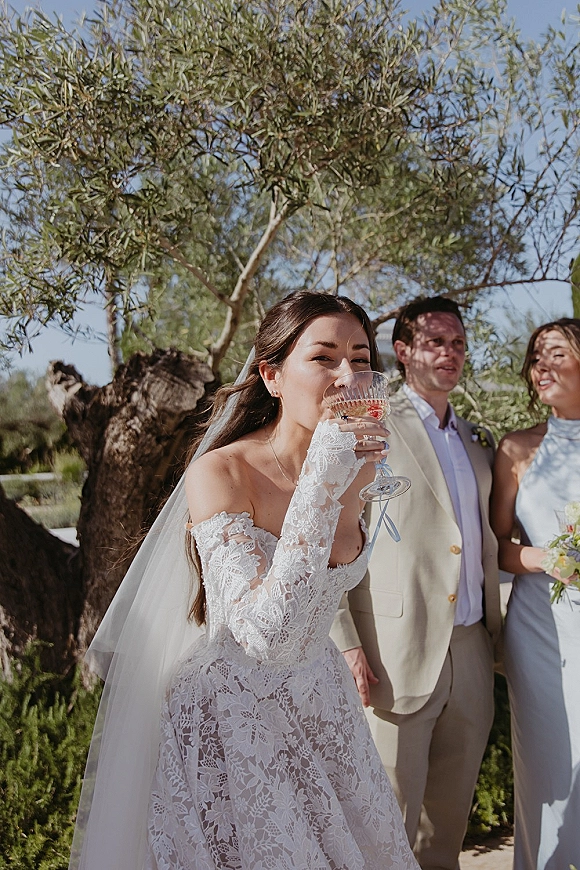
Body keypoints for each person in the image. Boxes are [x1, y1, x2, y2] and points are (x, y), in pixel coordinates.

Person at [70, 291, 419, 870]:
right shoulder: (222, 471)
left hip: (321, 701)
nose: (347, 375)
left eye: (361, 359)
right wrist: (324, 481)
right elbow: (267, 635)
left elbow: (327, 587)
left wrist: (345, 475)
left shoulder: (362, 465)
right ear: (272, 376)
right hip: (234, 715)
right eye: (324, 357)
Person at [331, 296, 502, 870]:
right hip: (394, 656)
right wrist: (348, 644)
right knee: (386, 828)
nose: (450, 353)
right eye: (435, 341)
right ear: (403, 352)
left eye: (457, 343)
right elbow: (328, 534)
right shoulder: (371, 424)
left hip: (473, 650)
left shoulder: (476, 440)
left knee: (446, 829)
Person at [490, 318, 580, 870]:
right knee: (549, 763)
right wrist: (550, 558)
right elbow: (498, 548)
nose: (540, 368)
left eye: (555, 355)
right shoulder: (518, 449)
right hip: (541, 630)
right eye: (535, 359)